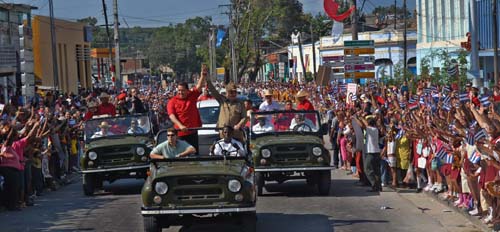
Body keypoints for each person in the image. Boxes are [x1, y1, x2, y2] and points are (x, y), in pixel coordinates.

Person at [205, 65, 247, 141]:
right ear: (226, 93)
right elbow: (213, 90)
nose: (233, 94)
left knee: (239, 151)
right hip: (223, 134)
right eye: (231, 92)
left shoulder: (240, 103)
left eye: (234, 92)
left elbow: (244, 117)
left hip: (236, 134)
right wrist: (207, 79)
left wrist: (239, 125)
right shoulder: (222, 100)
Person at [167, 71, 206, 152]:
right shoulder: (172, 101)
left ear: (187, 90)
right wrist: (180, 125)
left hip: (192, 132)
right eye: (179, 90)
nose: (180, 92)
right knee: (181, 155)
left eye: (183, 90)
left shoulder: (192, 95)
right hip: (180, 134)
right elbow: (171, 115)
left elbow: (199, 86)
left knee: (194, 154)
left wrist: (203, 75)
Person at [354, 115, 382, 192]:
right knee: (376, 171)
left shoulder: (370, 129)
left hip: (371, 153)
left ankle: (374, 184)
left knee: (367, 169)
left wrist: (356, 118)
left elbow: (362, 125)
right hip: (376, 152)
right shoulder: (376, 129)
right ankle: (379, 186)